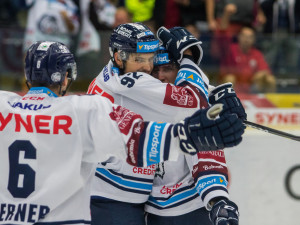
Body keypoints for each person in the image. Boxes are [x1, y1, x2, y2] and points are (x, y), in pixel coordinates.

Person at [0, 41, 244, 225]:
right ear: (66, 77)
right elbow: (140, 139)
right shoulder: (82, 111)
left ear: (26, 75)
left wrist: (211, 92)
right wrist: (190, 134)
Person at [87, 23, 246, 225]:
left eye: (150, 59)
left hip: (139, 200)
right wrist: (189, 58)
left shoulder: (120, 77)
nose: (148, 69)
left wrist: (215, 94)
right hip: (114, 199)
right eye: (139, 59)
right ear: (119, 57)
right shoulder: (131, 83)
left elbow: (169, 94)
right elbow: (192, 100)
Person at [219, 26, 276, 93]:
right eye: (244, 36)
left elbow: (265, 70)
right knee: (230, 78)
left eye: (250, 37)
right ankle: (227, 102)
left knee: (270, 79)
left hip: (251, 85)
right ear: (239, 37)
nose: (246, 39)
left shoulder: (257, 53)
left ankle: (268, 102)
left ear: (254, 39)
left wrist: (260, 75)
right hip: (235, 83)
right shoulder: (230, 50)